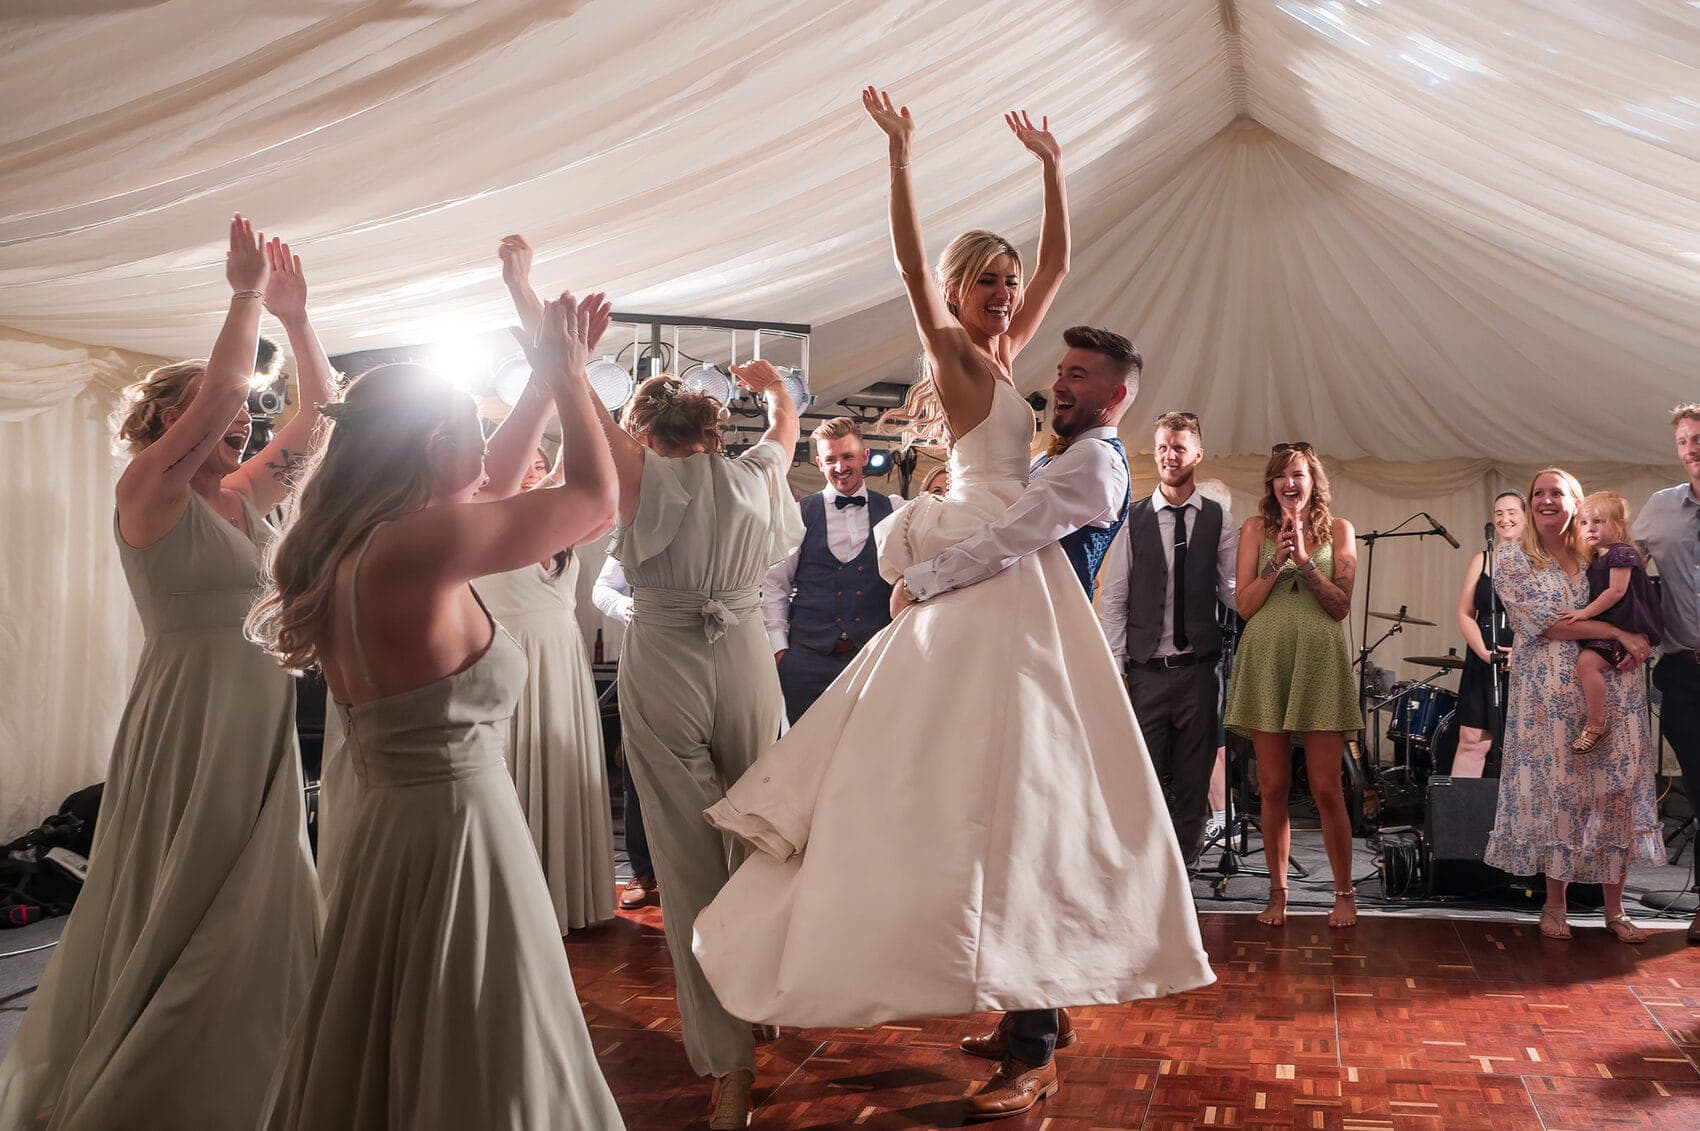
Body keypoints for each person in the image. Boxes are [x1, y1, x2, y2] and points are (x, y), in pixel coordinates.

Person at [692, 91, 1213, 1125]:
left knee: (1025, 789)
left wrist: (1055, 173)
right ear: (959, 292)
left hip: (1010, 578)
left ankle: (1032, 1017)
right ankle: (1010, 998)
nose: (1004, 295)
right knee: (958, 782)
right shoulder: (958, 356)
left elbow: (1058, 263)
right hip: (986, 570)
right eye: (987, 282)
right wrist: (900, 156)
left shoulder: (1011, 361)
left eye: (1008, 284)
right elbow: (904, 263)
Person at [247, 294, 625, 1129]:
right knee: (479, 1035)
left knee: (388, 1030)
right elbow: (598, 499)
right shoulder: (417, 549)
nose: (486, 452)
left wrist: (539, 378)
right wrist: (567, 374)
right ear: (431, 447)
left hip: (393, 830)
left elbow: (488, 481)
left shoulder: (357, 544)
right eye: (471, 431)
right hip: (460, 832)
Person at [0, 218, 325, 1130]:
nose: (243, 422)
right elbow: (227, 387)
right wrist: (245, 293)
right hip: (190, 711)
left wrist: (299, 322)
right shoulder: (148, 490)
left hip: (257, 711)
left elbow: (315, 415)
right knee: (188, 877)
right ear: (170, 424)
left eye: (242, 420)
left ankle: (268, 1041)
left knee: (270, 880)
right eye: (218, 416)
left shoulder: (249, 494)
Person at [593, 358, 801, 1130]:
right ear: (716, 432)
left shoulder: (640, 476)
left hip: (666, 654)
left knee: (683, 863)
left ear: (644, 433)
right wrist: (775, 389)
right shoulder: (755, 475)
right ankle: (762, 998)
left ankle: (729, 1067)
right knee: (761, 840)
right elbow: (784, 427)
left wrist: (565, 362)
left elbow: (594, 427)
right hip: (745, 652)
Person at [476, 236, 619, 932]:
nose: (532, 466)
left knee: (557, 769)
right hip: (506, 653)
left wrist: (567, 358)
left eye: (539, 461)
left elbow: (591, 453)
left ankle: (566, 898)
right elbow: (529, 422)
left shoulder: (560, 510)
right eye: (523, 458)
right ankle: (518, 902)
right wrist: (520, 293)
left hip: (559, 656)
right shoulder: (480, 514)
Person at [1488, 469, 1661, 944]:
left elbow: (1638, 601)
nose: (1545, 500)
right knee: (1558, 797)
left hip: (1614, 688)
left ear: (1576, 502)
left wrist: (1636, 638)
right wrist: (1617, 632)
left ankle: (1615, 909)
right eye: (1537, 494)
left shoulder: (1602, 553)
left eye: (1556, 493)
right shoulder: (1511, 557)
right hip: (1546, 700)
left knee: (1616, 793)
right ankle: (1555, 904)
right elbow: (1544, 624)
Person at [1223, 443, 1364, 929]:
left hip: (1319, 662)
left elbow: (1340, 606)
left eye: (1298, 474)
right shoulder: (1254, 530)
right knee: (1273, 786)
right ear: (1271, 484)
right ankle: (1278, 893)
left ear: (1312, 481)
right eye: (1281, 475)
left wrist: (1305, 560)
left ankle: (1344, 893)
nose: (1290, 482)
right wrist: (1275, 563)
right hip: (1267, 660)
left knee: (1327, 787)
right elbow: (1244, 606)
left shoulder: (1340, 530)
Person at [1097, 410, 1238, 864]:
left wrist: (1277, 570)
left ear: (1197, 453)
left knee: (1195, 781)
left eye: (1178, 447)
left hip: (1199, 674)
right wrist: (1117, 668)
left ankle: (1184, 871)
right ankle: (1143, 869)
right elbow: (1114, 599)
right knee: (1144, 779)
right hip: (1145, 674)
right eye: (1162, 447)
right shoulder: (1133, 519)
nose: (1169, 456)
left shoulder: (1219, 519)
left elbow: (1234, 593)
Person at [762, 417, 904, 724]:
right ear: (818, 463)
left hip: (872, 658)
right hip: (806, 662)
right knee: (805, 755)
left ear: (865, 455)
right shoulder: (799, 514)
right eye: (831, 460)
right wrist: (780, 652)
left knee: (867, 749)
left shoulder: (894, 509)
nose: (839, 467)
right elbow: (774, 585)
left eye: (847, 456)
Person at [1633, 404, 1700, 944]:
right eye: (1683, 441)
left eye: (1698, 438)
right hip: (1684, 672)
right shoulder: (1659, 509)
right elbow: (1621, 570)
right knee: (1699, 788)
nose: (1691, 449)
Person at [1563, 492, 1663, 754]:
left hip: (1625, 622)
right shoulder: (1599, 556)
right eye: (1584, 523)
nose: (1590, 528)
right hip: (1611, 623)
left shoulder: (1620, 553)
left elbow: (1616, 592)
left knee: (1587, 662)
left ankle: (1596, 722)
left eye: (1598, 521)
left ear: (1618, 525)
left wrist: (1584, 613)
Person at [592, 554, 659, 910]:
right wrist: (625, 606)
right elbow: (601, 589)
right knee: (637, 766)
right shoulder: (633, 522)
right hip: (646, 656)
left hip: (714, 651)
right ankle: (643, 870)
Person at [1450, 490, 1526, 777]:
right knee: (1472, 740)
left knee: (1522, 744)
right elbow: (1464, 612)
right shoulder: (1482, 560)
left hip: (1525, 661)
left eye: (1511, 512)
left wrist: (1522, 652)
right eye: (1498, 513)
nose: (1504, 519)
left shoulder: (1541, 560)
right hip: (1484, 658)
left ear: (1526, 517)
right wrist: (1484, 652)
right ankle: (1462, 819)